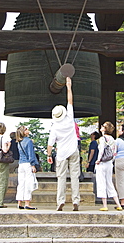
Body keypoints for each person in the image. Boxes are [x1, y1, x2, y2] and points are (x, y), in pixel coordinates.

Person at [47, 77, 80, 211]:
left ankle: (60, 201)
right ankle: (75, 200)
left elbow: (50, 143)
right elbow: (70, 101)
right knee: (75, 176)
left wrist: (49, 155)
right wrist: (68, 86)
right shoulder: (69, 118)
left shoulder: (54, 127)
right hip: (73, 150)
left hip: (61, 154)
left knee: (61, 178)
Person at [95, 121, 122, 211]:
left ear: (105, 129)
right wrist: (111, 160)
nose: (101, 127)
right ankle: (118, 204)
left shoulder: (102, 139)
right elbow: (114, 152)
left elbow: (101, 150)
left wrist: (98, 160)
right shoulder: (113, 139)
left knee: (101, 182)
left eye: (103, 126)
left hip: (102, 163)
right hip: (110, 163)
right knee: (109, 183)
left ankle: (105, 205)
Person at [16, 125, 39, 210]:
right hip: (27, 164)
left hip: (21, 164)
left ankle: (19, 202)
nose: (28, 130)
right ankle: (27, 202)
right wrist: (33, 165)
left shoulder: (19, 142)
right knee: (28, 183)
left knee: (21, 183)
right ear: (24, 132)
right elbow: (31, 154)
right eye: (26, 129)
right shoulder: (28, 141)